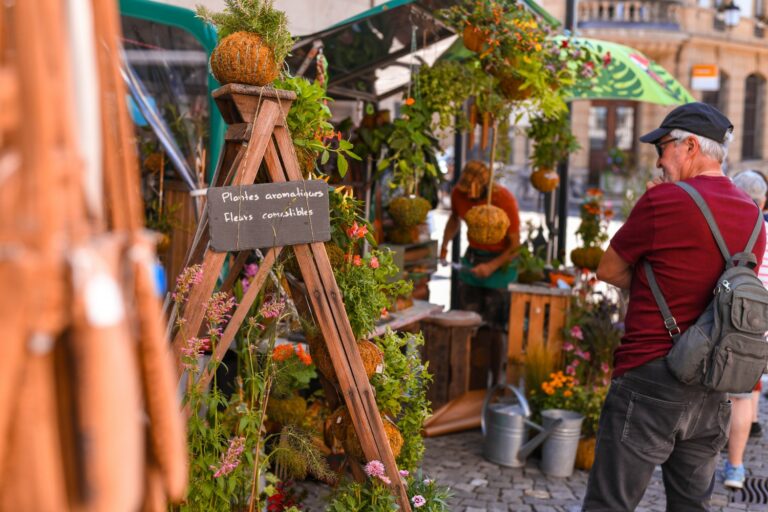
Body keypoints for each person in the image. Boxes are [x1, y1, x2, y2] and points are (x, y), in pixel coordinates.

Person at [583, 102, 766, 511]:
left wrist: (651, 281)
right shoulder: (754, 217)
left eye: (662, 147)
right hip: (713, 385)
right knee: (691, 507)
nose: (659, 160)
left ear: (689, 148)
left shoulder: (662, 201)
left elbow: (607, 269)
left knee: (610, 504)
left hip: (650, 377)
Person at [439, 160, 520, 338]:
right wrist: (444, 246)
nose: (469, 194)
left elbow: (515, 247)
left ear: (485, 187)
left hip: (501, 262)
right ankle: (465, 361)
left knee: (495, 328)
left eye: (473, 191)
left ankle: (493, 364)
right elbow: (454, 218)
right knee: (465, 322)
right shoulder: (458, 194)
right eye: (466, 189)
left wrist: (491, 266)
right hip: (474, 257)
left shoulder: (503, 199)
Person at [724, 170, 768, 488]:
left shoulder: (730, 227)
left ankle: (696, 456)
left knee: (710, 395)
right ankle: (735, 468)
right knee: (742, 397)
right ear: (763, 199)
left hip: (721, 321)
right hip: (757, 326)